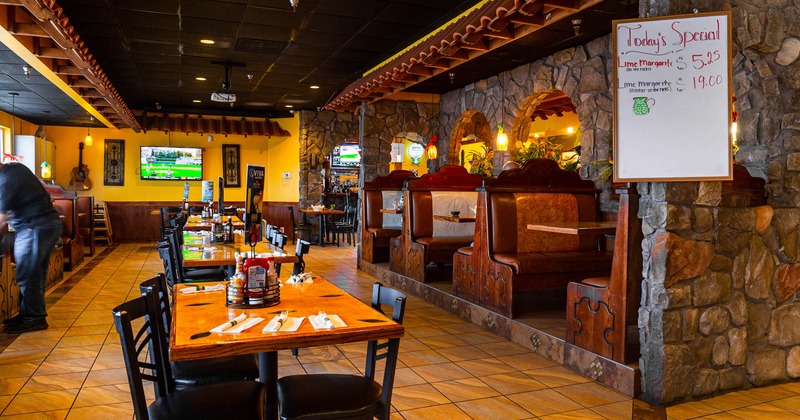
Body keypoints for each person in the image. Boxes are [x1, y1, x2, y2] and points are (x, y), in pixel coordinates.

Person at [0, 162, 62, 333]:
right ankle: (29, 314)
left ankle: (34, 318)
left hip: (34, 227)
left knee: (29, 274)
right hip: (42, 225)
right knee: (33, 273)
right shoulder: (15, 168)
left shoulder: (6, 179)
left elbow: (2, 222)